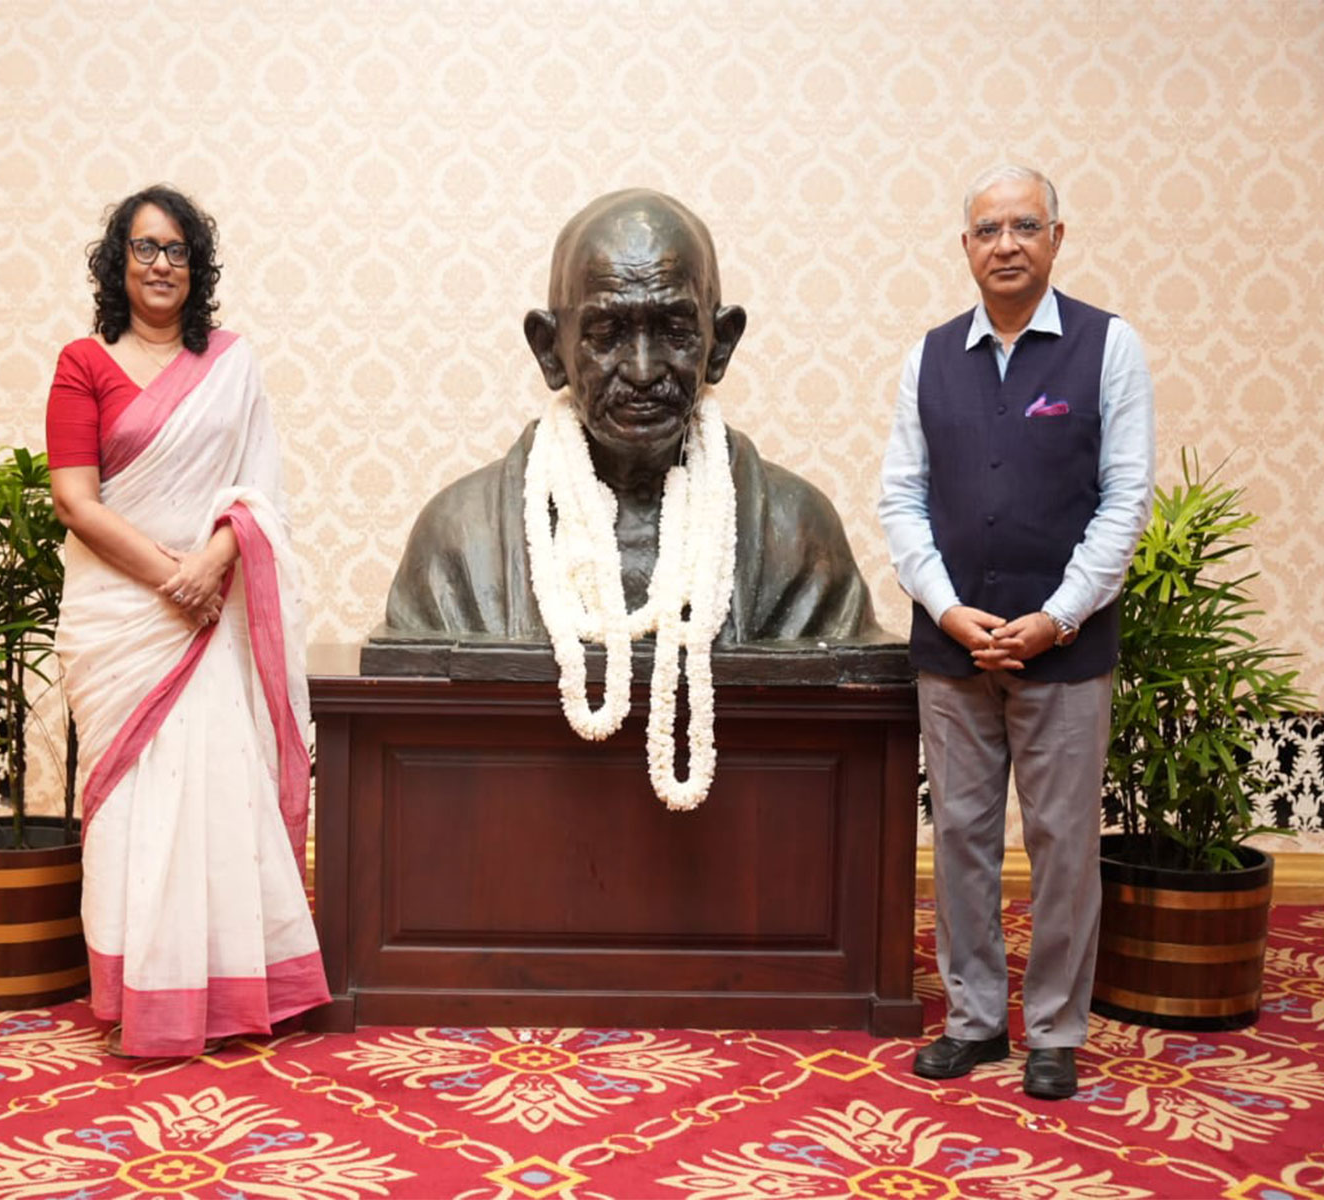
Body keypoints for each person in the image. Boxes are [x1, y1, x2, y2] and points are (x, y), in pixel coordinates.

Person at [878, 165, 1155, 1100]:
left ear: (1057, 238)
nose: (1005, 243)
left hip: (1066, 651)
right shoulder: (927, 357)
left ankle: (1055, 1031)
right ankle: (975, 1021)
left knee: (1063, 844)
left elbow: (1125, 501)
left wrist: (1056, 616)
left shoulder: (1107, 349)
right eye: (987, 229)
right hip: (952, 648)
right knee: (958, 838)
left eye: (1024, 226)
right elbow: (902, 500)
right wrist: (948, 609)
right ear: (965, 247)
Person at [46, 184, 329, 1057]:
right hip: (124, 619)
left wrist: (211, 568)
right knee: (137, 803)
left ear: (196, 265)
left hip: (212, 609)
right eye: (144, 248)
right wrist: (175, 580)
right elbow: (75, 501)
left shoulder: (233, 365)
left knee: (217, 787)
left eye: (176, 250)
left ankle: (232, 985)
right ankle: (147, 990)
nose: (161, 264)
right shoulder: (82, 364)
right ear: (117, 263)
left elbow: (260, 492)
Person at [385, 188, 878, 645]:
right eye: (607, 332)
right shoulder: (457, 539)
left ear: (720, 344)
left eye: (674, 329)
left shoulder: (799, 538)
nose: (643, 369)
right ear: (549, 350)